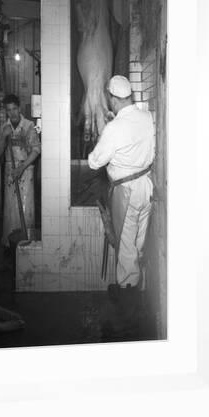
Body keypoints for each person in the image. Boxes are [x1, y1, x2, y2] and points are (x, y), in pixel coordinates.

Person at [88, 75, 155, 295]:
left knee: (125, 247)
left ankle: (127, 299)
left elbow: (95, 161)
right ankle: (140, 289)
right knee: (139, 244)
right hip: (146, 186)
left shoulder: (115, 128)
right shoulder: (146, 117)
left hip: (126, 191)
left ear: (114, 99)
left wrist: (105, 133)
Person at [0, 94, 41, 246]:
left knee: (26, 206)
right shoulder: (4, 127)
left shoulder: (28, 126)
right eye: (9, 110)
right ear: (6, 112)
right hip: (10, 170)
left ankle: (27, 241)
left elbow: (36, 150)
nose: (12, 113)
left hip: (26, 169)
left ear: (19, 108)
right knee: (10, 207)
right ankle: (9, 243)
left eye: (14, 108)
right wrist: (3, 137)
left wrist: (22, 167)